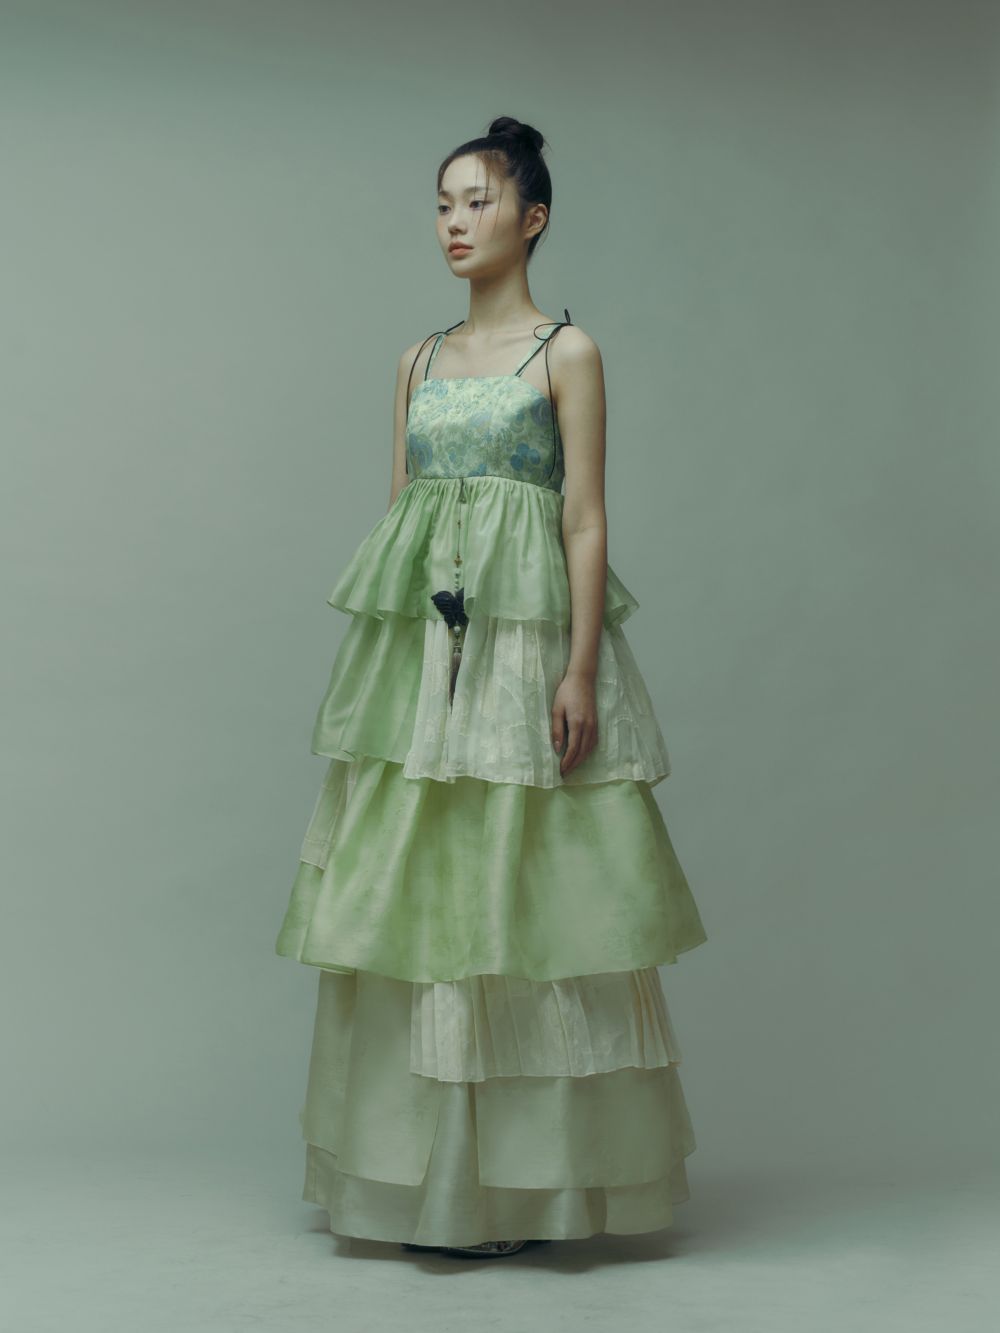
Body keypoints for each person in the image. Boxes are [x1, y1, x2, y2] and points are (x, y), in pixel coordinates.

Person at [274, 115, 708, 1260]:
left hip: (524, 653)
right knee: (422, 887)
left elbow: (585, 518)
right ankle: (432, 1181)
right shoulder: (416, 360)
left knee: (526, 891)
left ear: (533, 216)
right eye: (442, 203)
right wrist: (393, 672)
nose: (454, 222)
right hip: (429, 655)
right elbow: (399, 517)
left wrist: (578, 670)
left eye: (477, 200)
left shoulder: (567, 352)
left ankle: (528, 1190)